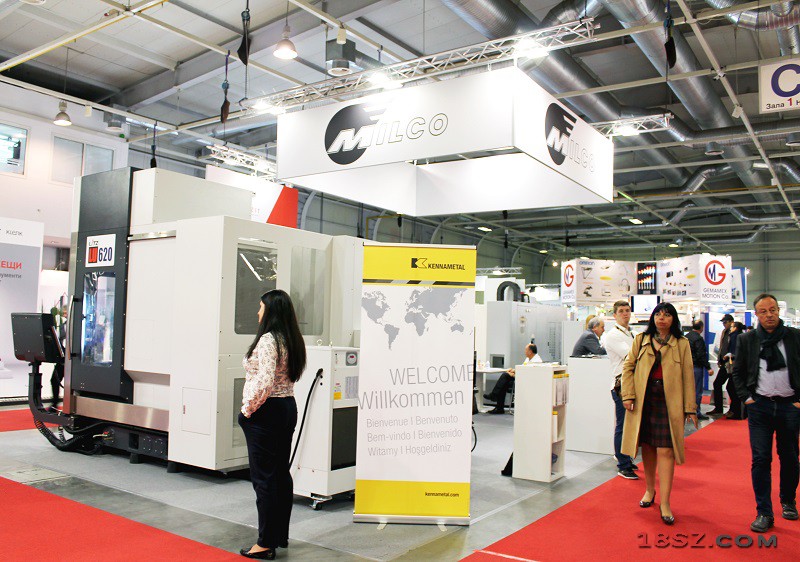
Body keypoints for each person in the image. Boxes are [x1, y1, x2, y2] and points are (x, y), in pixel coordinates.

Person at [238, 290, 307, 560]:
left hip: (266, 411)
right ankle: (279, 536)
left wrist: (247, 409)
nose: (258, 312)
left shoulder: (268, 339)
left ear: (271, 311)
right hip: (286, 407)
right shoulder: (290, 338)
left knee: (264, 479)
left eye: (260, 307)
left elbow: (264, 381)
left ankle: (265, 543)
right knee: (279, 475)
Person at [621, 302, 697, 526]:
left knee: (666, 450)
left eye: (667, 315)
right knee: (648, 447)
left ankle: (665, 502)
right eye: (658, 314)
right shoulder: (641, 340)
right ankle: (649, 490)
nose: (662, 318)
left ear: (674, 319)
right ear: (653, 318)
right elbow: (628, 367)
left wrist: (690, 407)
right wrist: (628, 395)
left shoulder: (682, 343)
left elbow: (688, 375)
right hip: (644, 400)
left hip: (669, 402)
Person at [731, 294, 800, 533]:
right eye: (763, 311)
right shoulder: (747, 339)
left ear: (778, 311)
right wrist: (747, 399)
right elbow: (737, 372)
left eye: (772, 310)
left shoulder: (794, 336)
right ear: (756, 315)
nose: (769, 315)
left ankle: (788, 500)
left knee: (790, 456)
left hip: (789, 405)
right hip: (760, 406)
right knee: (761, 459)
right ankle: (764, 512)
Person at [602, 300, 638, 480]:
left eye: (627, 310)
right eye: (621, 311)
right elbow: (632, 356)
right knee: (622, 426)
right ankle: (623, 465)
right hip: (621, 385)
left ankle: (627, 458)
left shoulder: (631, 333)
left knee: (630, 425)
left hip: (632, 383)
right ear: (615, 315)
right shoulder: (613, 335)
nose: (625, 314)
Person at [483, 343, 542, 414]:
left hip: (527, 383)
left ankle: (494, 397)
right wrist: (513, 371)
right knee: (504, 382)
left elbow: (527, 375)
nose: (524, 352)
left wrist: (513, 375)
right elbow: (522, 369)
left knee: (505, 376)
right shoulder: (528, 359)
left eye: (526, 350)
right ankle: (499, 407)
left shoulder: (536, 361)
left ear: (530, 351)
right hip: (520, 379)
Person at [708, 314, 734, 415]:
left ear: (731, 322)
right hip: (724, 363)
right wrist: (719, 359)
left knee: (730, 387)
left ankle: (731, 409)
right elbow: (722, 347)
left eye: (725, 322)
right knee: (718, 384)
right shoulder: (724, 332)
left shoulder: (733, 333)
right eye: (723, 322)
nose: (724, 324)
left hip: (731, 363)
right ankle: (719, 408)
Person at [687, 320, 713, 421]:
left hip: (686, 367)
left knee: (687, 390)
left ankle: (687, 411)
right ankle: (696, 412)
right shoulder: (698, 339)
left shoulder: (686, 337)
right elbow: (701, 355)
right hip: (696, 367)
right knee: (697, 391)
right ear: (701, 327)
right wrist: (708, 367)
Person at [724, 321, 747, 419]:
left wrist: (730, 355)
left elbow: (734, 351)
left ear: (736, 328)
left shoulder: (735, 337)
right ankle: (735, 410)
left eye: (732, 326)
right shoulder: (741, 336)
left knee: (732, 387)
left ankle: (736, 411)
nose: (731, 328)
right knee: (732, 387)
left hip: (736, 366)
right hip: (739, 366)